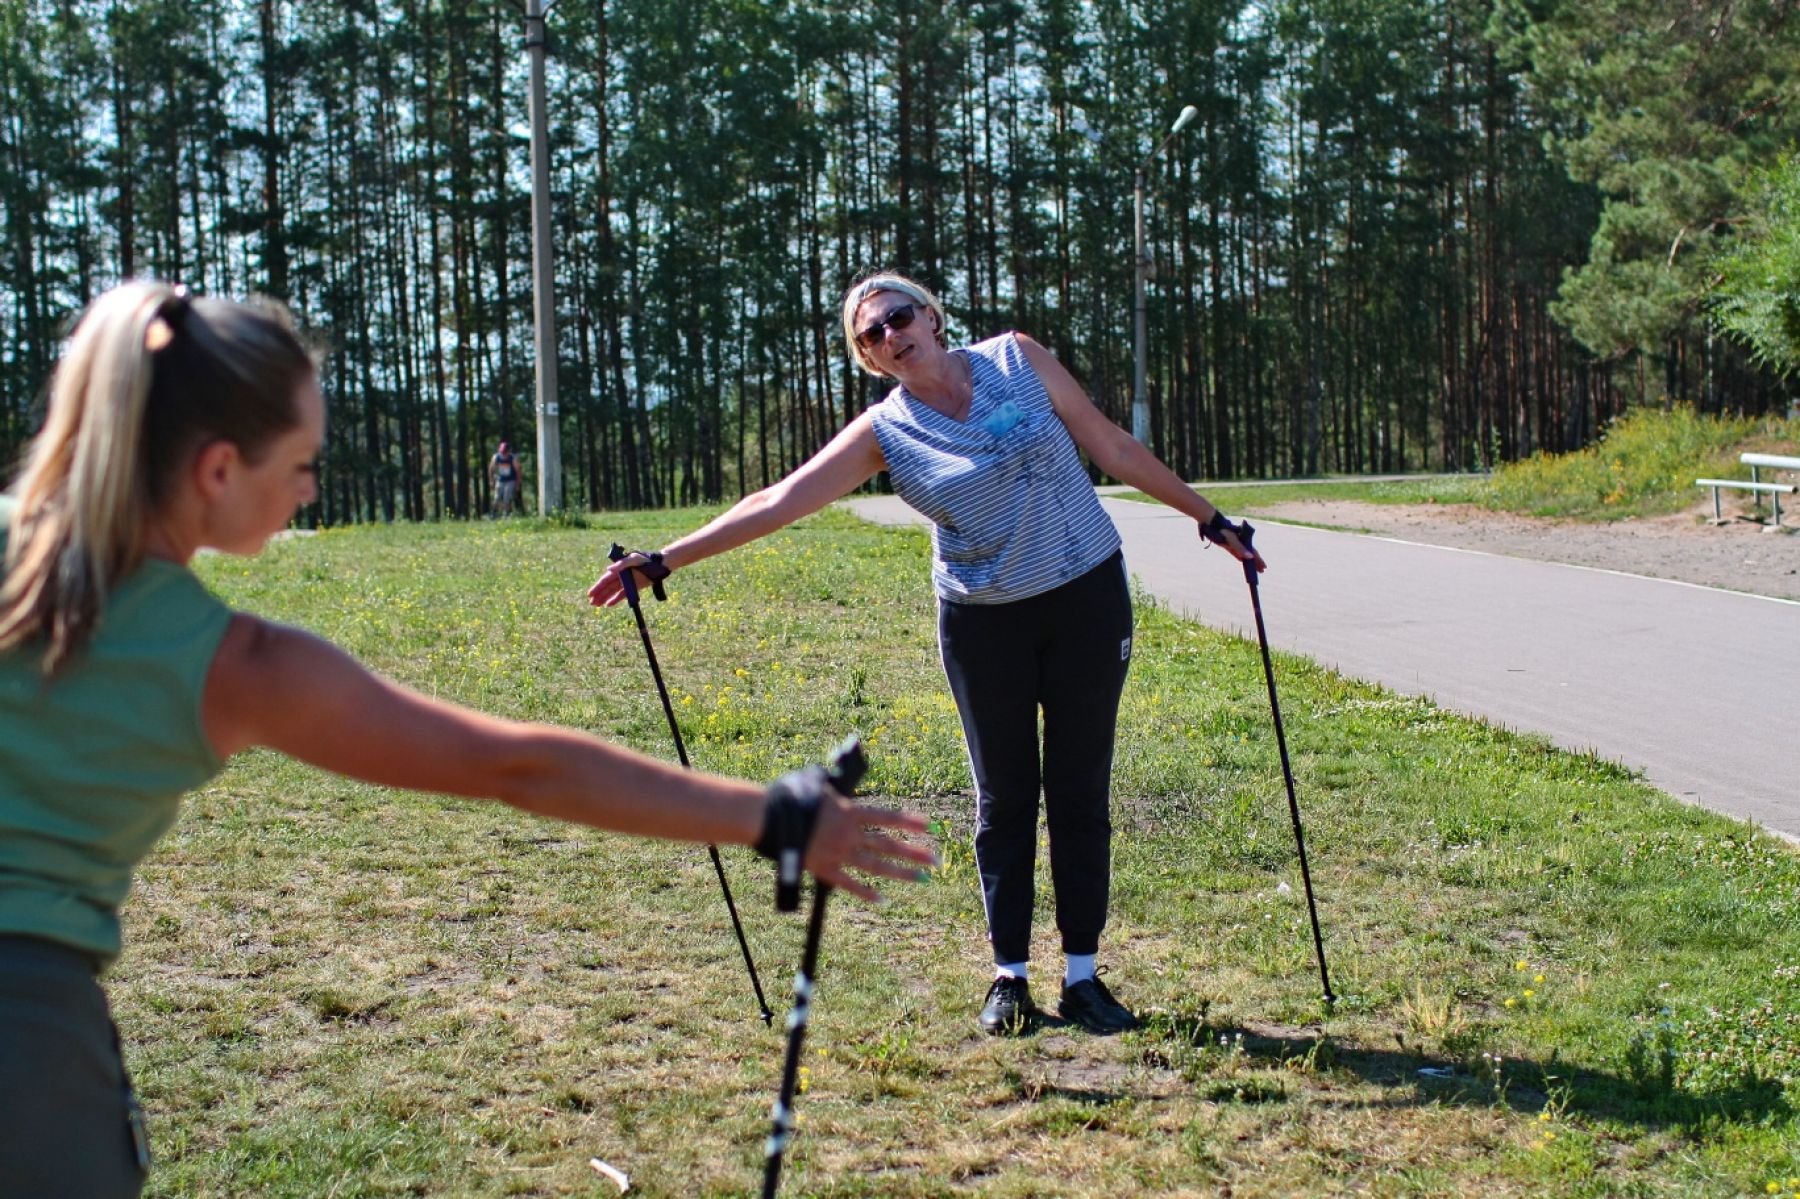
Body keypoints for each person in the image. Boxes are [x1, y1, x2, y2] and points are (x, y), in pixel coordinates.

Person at [0, 282, 935, 1199]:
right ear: (215, 472)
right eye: (299, 465)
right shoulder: (233, 665)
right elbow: (514, 766)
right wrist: (773, 813)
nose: (309, 489)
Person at [591, 271, 1261, 1038]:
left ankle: (1084, 976)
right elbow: (777, 500)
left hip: (1084, 598)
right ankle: (1010, 976)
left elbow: (1107, 441)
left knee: (1080, 789)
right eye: (869, 335)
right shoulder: (887, 432)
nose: (888, 336)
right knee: (1004, 796)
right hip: (983, 624)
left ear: (933, 316)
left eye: (897, 317)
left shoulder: (1017, 358)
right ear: (869, 360)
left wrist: (1209, 519)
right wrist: (664, 559)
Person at [489, 440, 520, 516]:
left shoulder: (513, 458)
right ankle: (493, 513)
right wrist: (491, 480)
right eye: (502, 452)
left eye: (505, 452)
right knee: (496, 497)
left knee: (507, 497)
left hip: (510, 480)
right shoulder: (496, 457)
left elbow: (518, 471)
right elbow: (491, 469)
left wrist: (517, 484)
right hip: (500, 479)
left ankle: (506, 514)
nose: (504, 454)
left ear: (509, 451)